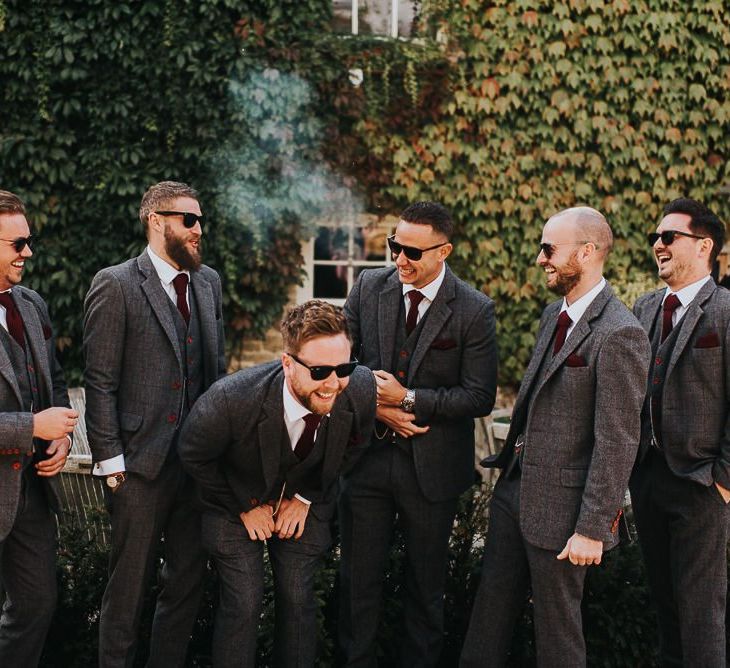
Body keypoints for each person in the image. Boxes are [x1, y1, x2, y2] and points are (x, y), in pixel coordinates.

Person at [460, 207, 650, 668]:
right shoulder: (553, 314)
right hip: (514, 492)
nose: (540, 258)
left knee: (558, 635)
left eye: (549, 249)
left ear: (586, 253)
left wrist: (591, 528)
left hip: (566, 512)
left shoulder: (620, 332)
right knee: (487, 620)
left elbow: (618, 440)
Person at [339, 201, 498, 666]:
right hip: (365, 463)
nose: (399, 259)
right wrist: (380, 407)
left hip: (432, 472)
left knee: (425, 594)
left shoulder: (474, 309)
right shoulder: (369, 287)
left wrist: (409, 399)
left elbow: (478, 396)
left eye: (411, 251)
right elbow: (342, 365)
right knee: (356, 588)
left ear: (444, 251)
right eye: (394, 246)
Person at [179, 300, 375, 667]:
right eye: (319, 371)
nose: (334, 384)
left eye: (344, 367)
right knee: (246, 599)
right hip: (232, 500)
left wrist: (305, 497)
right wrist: (244, 506)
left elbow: (355, 445)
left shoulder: (359, 388)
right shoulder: (231, 400)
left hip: (303, 501)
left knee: (299, 596)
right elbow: (192, 454)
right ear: (288, 364)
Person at [83, 180, 226, 667]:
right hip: (139, 467)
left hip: (196, 467)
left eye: (200, 219)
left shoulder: (208, 283)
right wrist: (110, 462)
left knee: (185, 584)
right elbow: (100, 381)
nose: (197, 229)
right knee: (127, 591)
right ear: (156, 220)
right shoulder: (116, 283)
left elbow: (215, 374)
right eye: (188, 219)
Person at [631, 197, 730, 667]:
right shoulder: (645, 306)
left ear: (704, 245)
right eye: (655, 237)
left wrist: (724, 480)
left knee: (701, 613)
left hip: (701, 483)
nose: (657, 244)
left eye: (668, 236)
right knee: (664, 608)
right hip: (647, 478)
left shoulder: (726, 310)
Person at [0, 189, 77, 667]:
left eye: (29, 241)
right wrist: (32, 426)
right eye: (17, 243)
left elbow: (56, 379)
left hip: (30, 489)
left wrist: (61, 433)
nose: (28, 252)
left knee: (35, 605)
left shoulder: (31, 304)